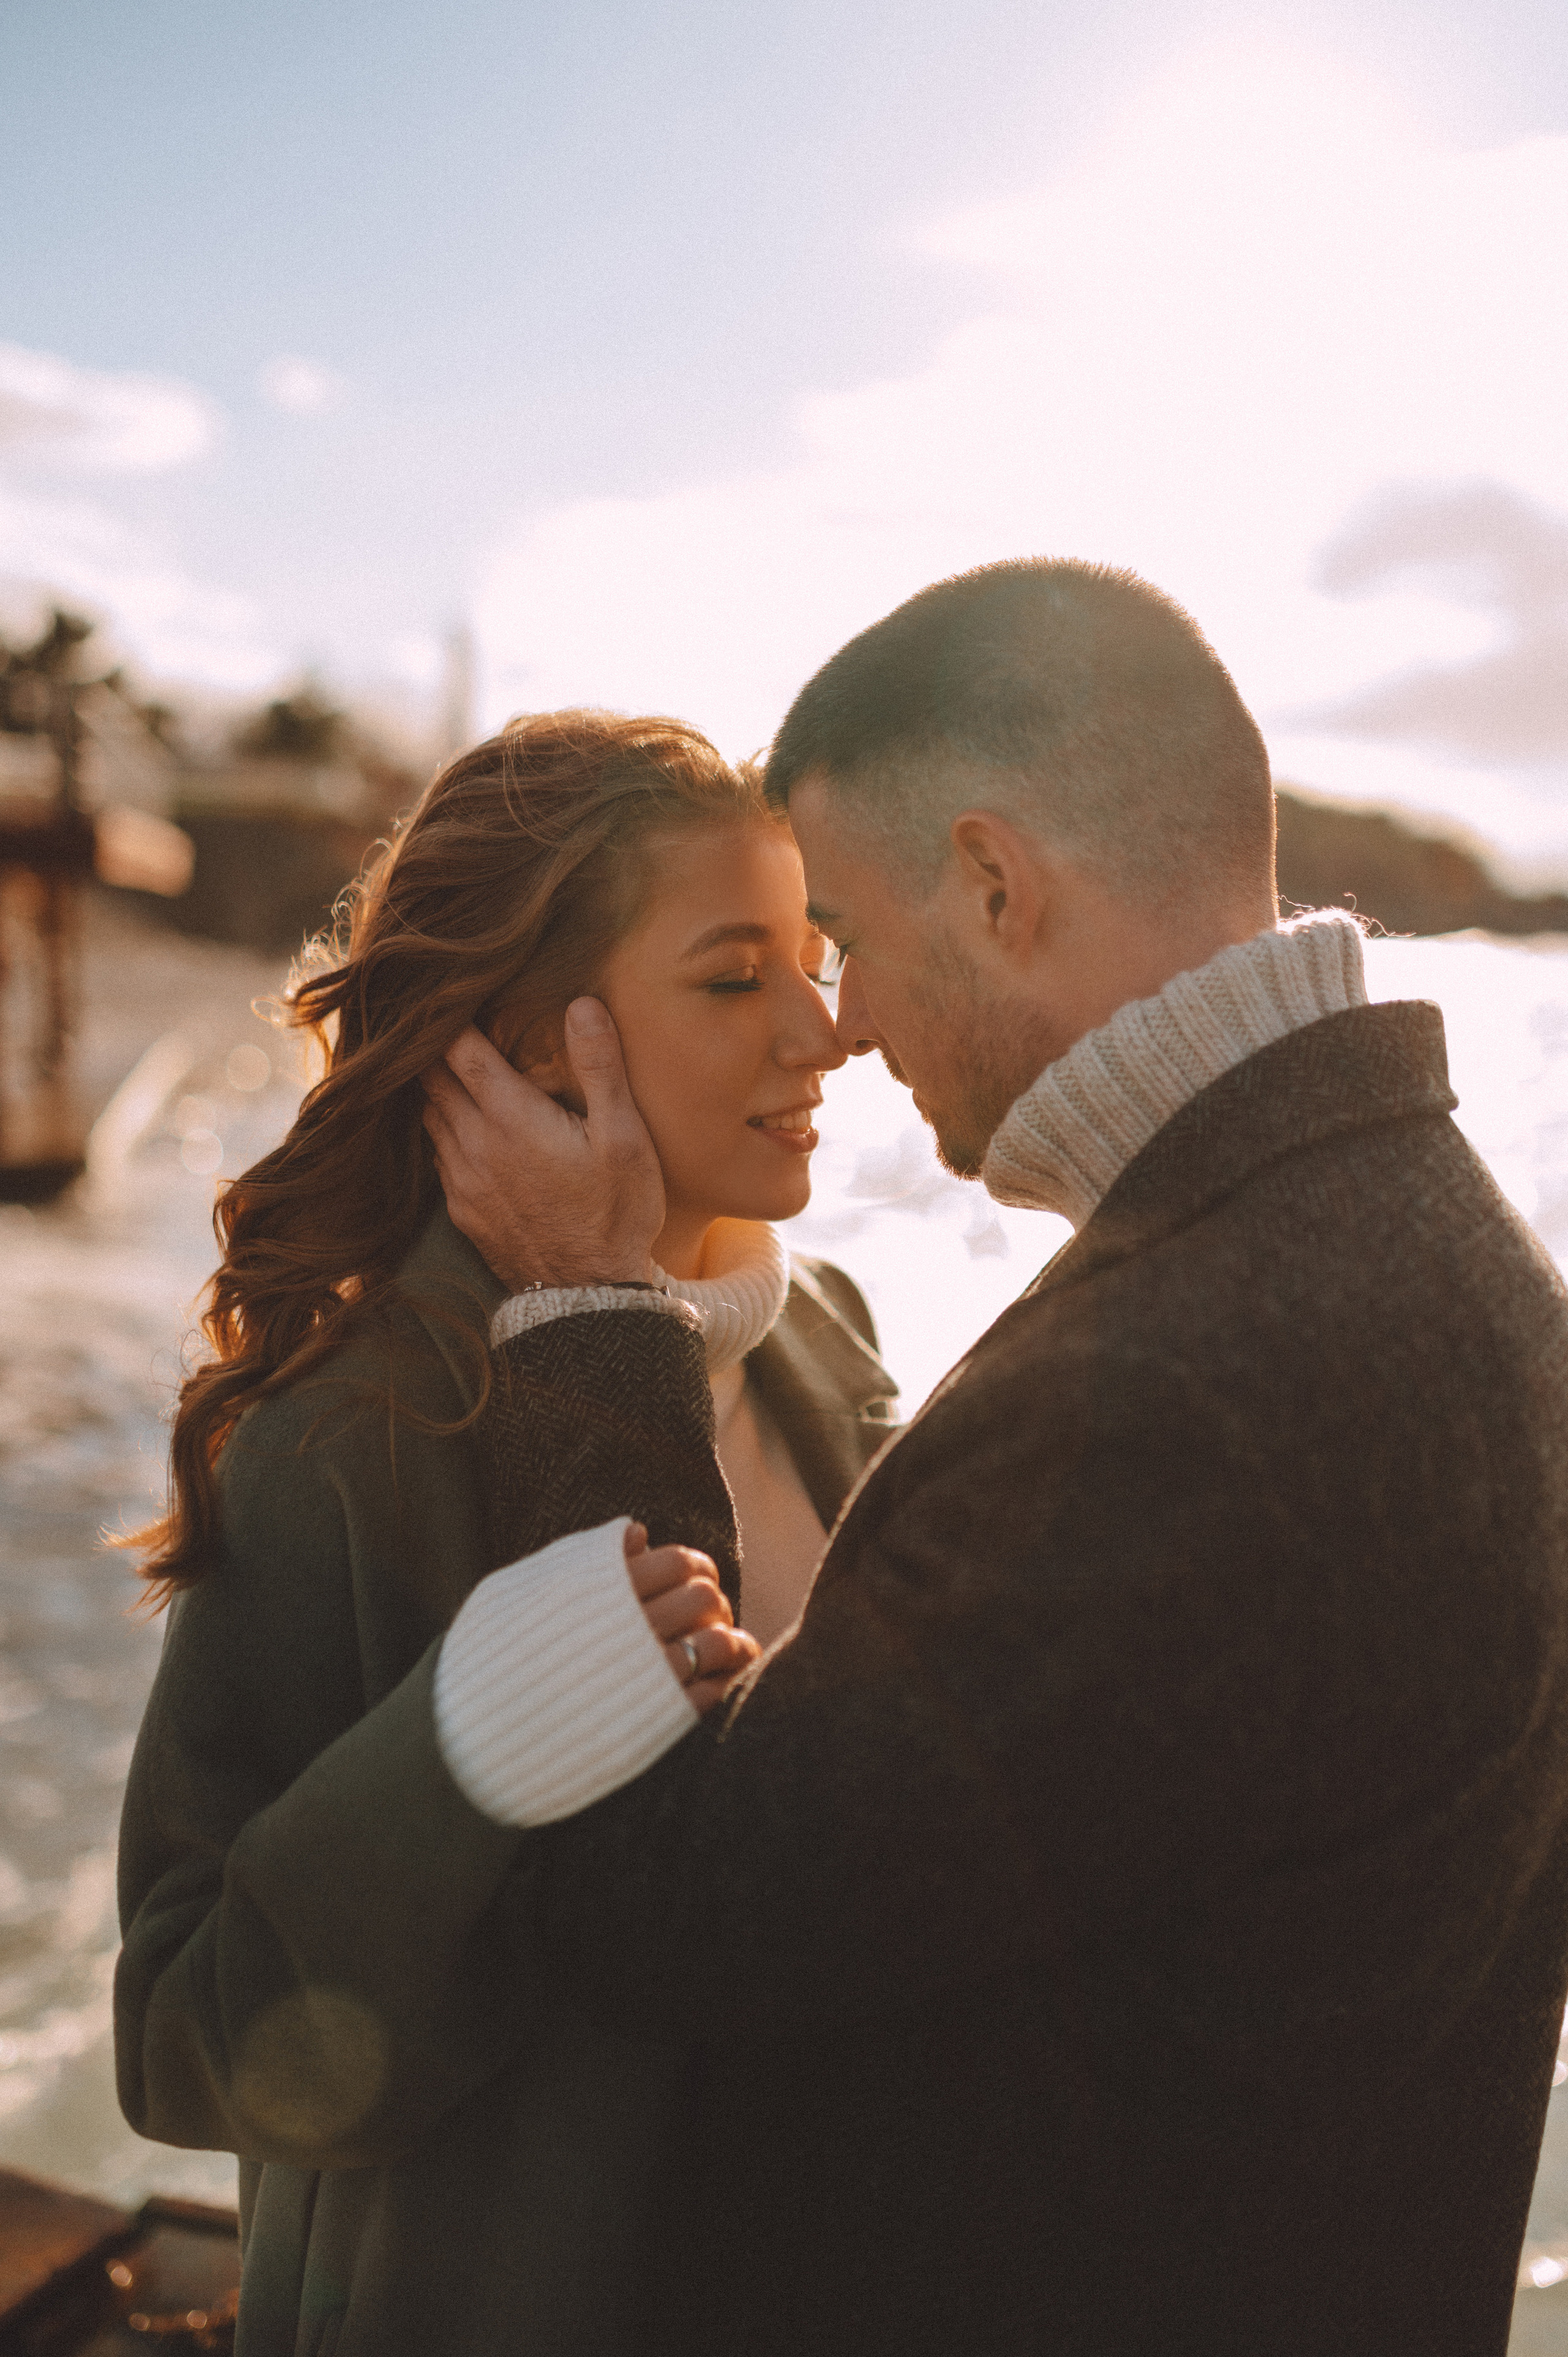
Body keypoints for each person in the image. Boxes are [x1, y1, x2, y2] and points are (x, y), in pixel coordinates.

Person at [406, 560, 1568, 2356]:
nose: (842, 1022)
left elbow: (669, 1917)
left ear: (999, 884)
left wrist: (592, 1329)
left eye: (851, 937)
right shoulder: (1471, 1259)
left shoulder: (1189, 1379)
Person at [113, 710, 897, 2357]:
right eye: (735, 974)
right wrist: (463, 1752)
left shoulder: (824, 1326)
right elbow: (186, 2040)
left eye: (816, 956)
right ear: (536, 1040)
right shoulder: (356, 1426)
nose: (826, 1033)